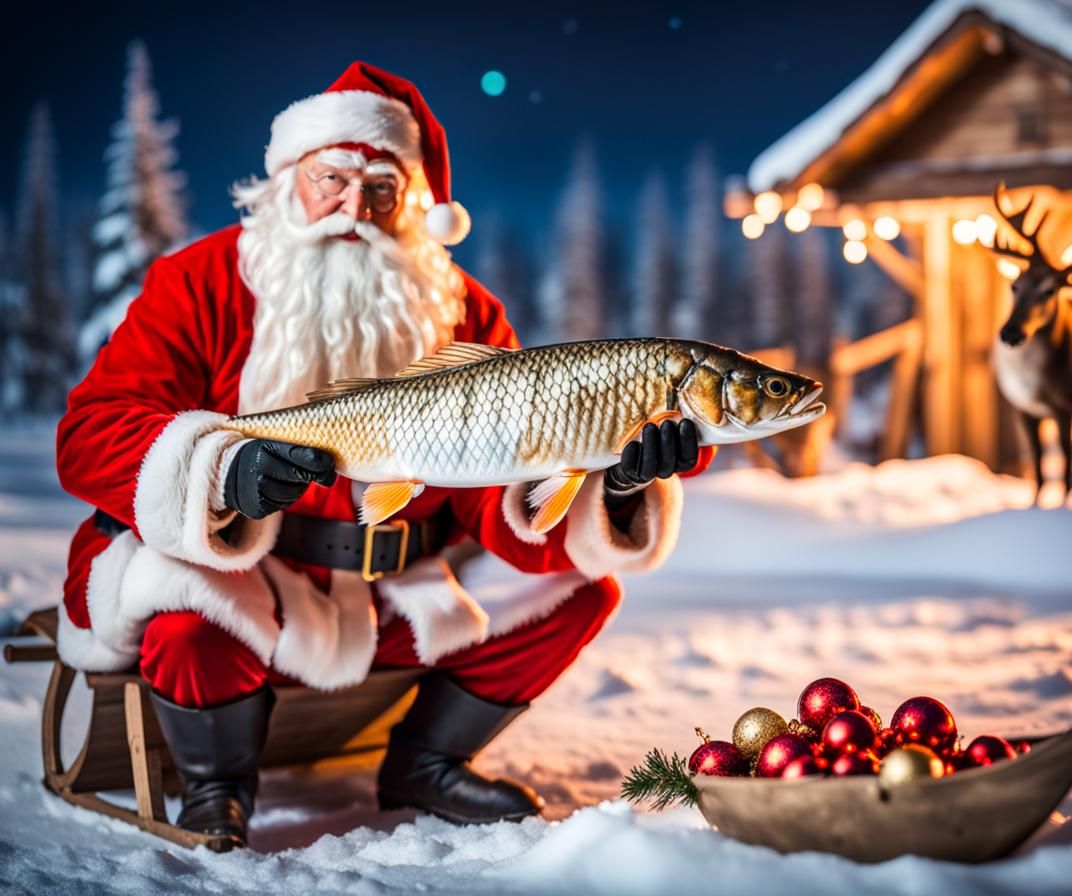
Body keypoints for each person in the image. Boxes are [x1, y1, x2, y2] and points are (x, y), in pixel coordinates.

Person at [55, 62, 712, 850]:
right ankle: (216, 786)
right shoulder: (200, 282)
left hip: (400, 591)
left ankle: (427, 764)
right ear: (285, 180)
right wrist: (219, 473)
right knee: (185, 623)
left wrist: (616, 485)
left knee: (581, 587)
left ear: (416, 205)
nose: (351, 210)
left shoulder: (459, 306)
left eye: (380, 191)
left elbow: (497, 492)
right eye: (330, 179)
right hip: (252, 581)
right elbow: (95, 428)